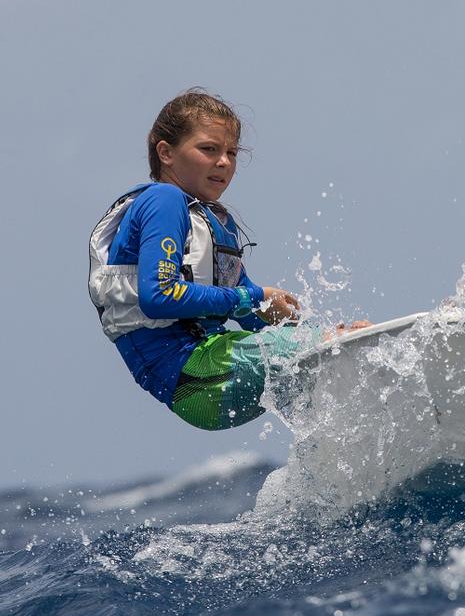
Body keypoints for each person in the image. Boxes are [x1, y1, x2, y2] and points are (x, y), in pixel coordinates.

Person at [88, 89, 369, 430]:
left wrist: (313, 329)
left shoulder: (215, 222)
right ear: (166, 153)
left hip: (212, 376)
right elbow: (158, 296)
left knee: (330, 362)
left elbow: (250, 313)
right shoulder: (163, 201)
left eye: (231, 152)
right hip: (195, 373)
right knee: (329, 352)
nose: (224, 162)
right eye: (209, 149)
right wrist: (251, 298)